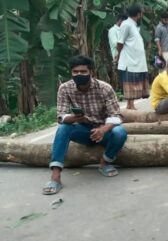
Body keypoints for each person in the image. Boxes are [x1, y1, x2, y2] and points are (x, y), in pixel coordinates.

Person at [43, 56, 127, 195]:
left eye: (83, 71)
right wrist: (74, 118)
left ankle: (105, 162)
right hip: (83, 130)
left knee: (120, 133)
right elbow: (61, 116)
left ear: (91, 72)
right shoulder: (65, 88)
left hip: (104, 131)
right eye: (75, 72)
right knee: (63, 128)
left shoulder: (104, 88)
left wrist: (103, 129)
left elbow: (117, 116)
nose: (79, 74)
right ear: (71, 73)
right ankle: (55, 177)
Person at [116, 4, 149, 110]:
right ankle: (130, 105)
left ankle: (131, 104)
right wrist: (118, 55)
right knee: (130, 81)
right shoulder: (126, 24)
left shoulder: (133, 25)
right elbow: (120, 42)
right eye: (142, 12)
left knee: (134, 81)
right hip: (129, 59)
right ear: (138, 14)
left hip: (136, 59)